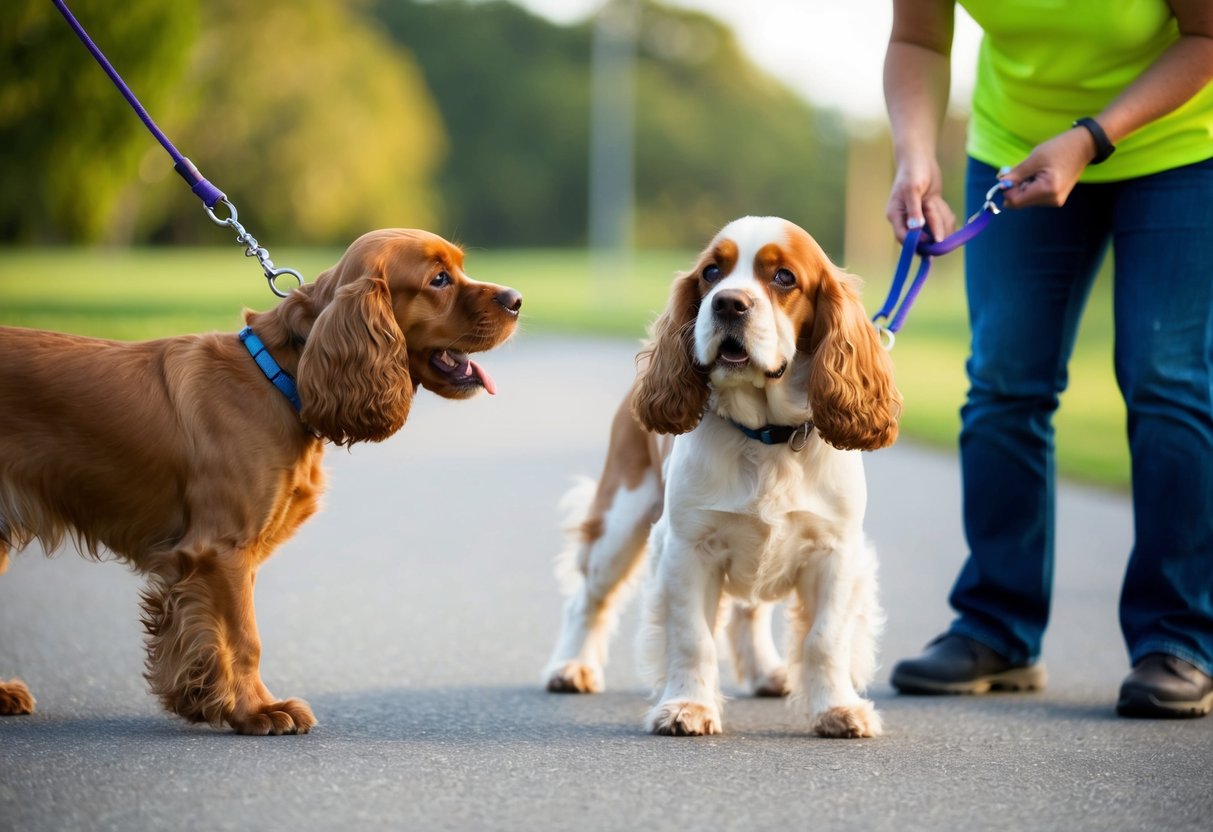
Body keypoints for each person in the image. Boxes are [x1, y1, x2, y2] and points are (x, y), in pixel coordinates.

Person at [882, 0, 1213, 718]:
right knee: (1003, 377)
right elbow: (916, 36)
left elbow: (1204, 35)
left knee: (1166, 376)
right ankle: (997, 627)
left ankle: (1178, 638)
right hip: (1014, 142)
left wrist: (1091, 137)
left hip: (1181, 143)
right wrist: (914, 155)